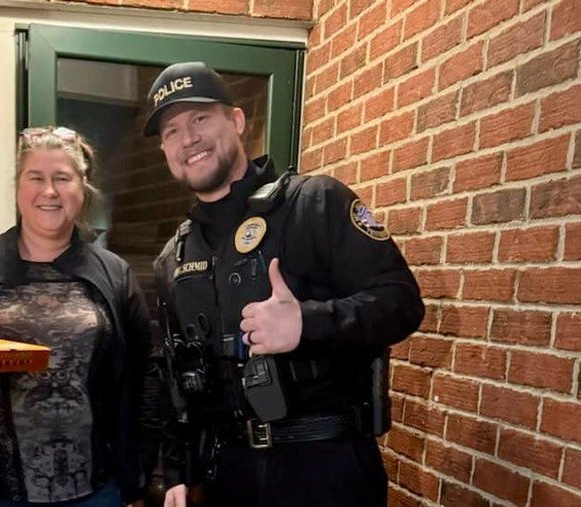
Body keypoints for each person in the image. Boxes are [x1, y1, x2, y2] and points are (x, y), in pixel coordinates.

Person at [144, 62, 425, 506]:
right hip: (227, 475)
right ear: (165, 151)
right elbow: (177, 376)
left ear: (236, 121)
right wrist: (178, 470)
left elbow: (402, 303)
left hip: (324, 469)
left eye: (200, 118)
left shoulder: (315, 203)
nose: (188, 138)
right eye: (172, 131)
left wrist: (307, 322)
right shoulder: (174, 257)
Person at [0, 126, 151, 507]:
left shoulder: (114, 273)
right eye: (35, 177)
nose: (49, 191)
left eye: (62, 178)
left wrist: (139, 477)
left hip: (95, 491)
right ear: (19, 186)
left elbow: (143, 376)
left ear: (82, 189)